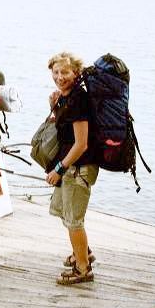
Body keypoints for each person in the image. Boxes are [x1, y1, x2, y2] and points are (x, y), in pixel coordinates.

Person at [46, 52, 99, 285]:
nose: (59, 77)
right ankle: (83, 252)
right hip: (70, 168)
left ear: (76, 73)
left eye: (65, 72)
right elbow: (65, 132)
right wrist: (55, 107)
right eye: (56, 72)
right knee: (62, 211)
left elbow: (81, 144)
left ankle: (83, 270)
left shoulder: (78, 99)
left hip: (79, 169)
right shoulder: (67, 97)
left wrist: (59, 168)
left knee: (74, 220)